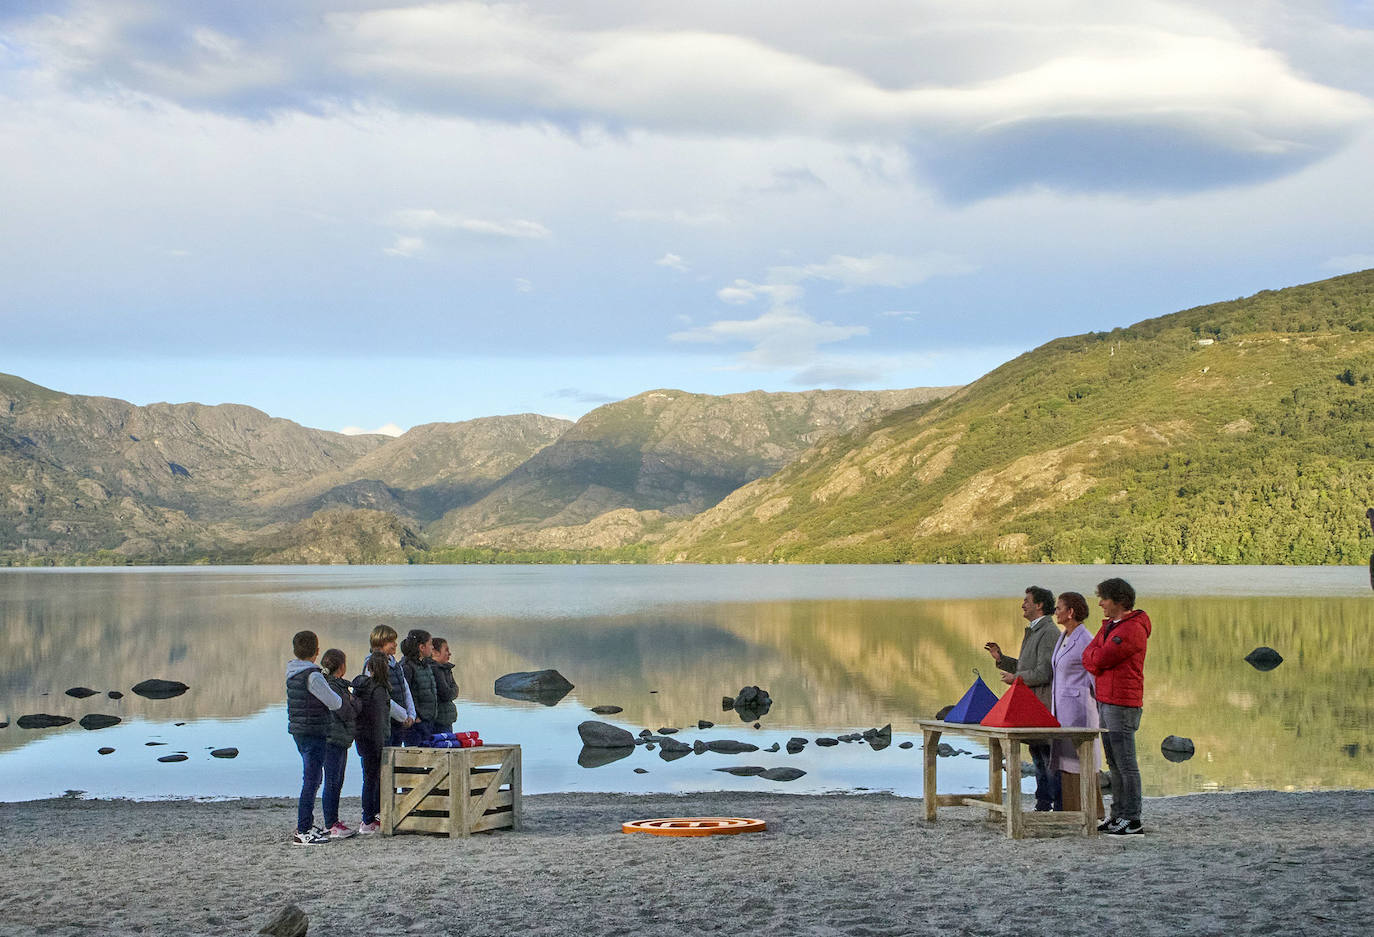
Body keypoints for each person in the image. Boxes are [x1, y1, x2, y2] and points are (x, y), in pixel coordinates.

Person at [1082, 577, 1152, 835]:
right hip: (1105, 699)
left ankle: (1132, 818)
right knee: (1114, 762)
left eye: (1105, 599)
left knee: (1126, 763)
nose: (1100, 604)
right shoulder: (1110, 626)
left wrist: (1096, 659)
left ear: (1119, 601)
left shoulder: (1132, 629)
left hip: (1122, 702)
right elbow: (1089, 655)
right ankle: (1118, 815)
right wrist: (1096, 659)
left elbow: (1099, 657)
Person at [984, 585, 1059, 811]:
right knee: (1037, 754)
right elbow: (1027, 667)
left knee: (1046, 756)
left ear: (1039, 605)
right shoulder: (1034, 631)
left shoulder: (1049, 633)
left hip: (1042, 703)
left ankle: (1053, 803)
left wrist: (1016, 677)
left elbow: (1044, 672)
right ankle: (1043, 802)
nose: (1023, 604)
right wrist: (1002, 659)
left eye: (1027, 601)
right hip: (1030, 702)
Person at [286, 630, 343, 846]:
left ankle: (307, 824)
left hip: (299, 730)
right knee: (312, 780)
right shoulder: (313, 676)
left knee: (312, 779)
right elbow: (335, 702)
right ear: (317, 651)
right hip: (314, 731)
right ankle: (303, 830)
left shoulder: (291, 672)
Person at [1048, 591, 1102, 815]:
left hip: (1079, 711)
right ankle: (1071, 811)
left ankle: (1093, 811)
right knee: (1066, 762)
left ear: (1070, 612)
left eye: (1059, 608)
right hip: (1062, 710)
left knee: (1082, 762)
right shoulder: (1064, 637)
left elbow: (1095, 677)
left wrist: (1101, 707)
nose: (1056, 612)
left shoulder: (1085, 640)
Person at [319, 648, 360, 840]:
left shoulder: (337, 686)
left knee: (337, 780)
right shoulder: (333, 687)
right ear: (341, 667)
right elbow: (347, 711)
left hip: (340, 738)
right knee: (333, 781)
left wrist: (353, 701)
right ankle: (331, 823)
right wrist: (353, 702)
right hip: (332, 739)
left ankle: (333, 821)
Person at [351, 651, 394, 835]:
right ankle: (368, 819)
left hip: (363, 738)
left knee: (370, 778)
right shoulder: (378, 690)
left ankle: (372, 815)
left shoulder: (364, 688)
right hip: (374, 740)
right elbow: (378, 720)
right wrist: (381, 745)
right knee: (371, 779)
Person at [369, 625, 415, 746]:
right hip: (384, 724)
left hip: (399, 723)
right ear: (380, 643)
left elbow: (405, 689)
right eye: (391, 641)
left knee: (397, 760)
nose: (395, 644)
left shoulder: (395, 664)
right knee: (384, 761)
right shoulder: (372, 664)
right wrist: (403, 716)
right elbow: (381, 697)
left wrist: (411, 714)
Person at [400, 629, 438, 745]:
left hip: (429, 720)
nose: (432, 647)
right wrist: (415, 715)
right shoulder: (407, 667)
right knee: (416, 758)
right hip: (417, 723)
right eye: (430, 644)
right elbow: (406, 693)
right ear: (421, 647)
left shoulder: (426, 665)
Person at [431, 637, 459, 736]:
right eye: (446, 650)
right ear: (435, 652)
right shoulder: (435, 669)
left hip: (446, 719)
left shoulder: (446, 668)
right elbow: (446, 693)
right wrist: (452, 691)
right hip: (438, 720)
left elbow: (455, 689)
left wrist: (453, 690)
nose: (449, 653)